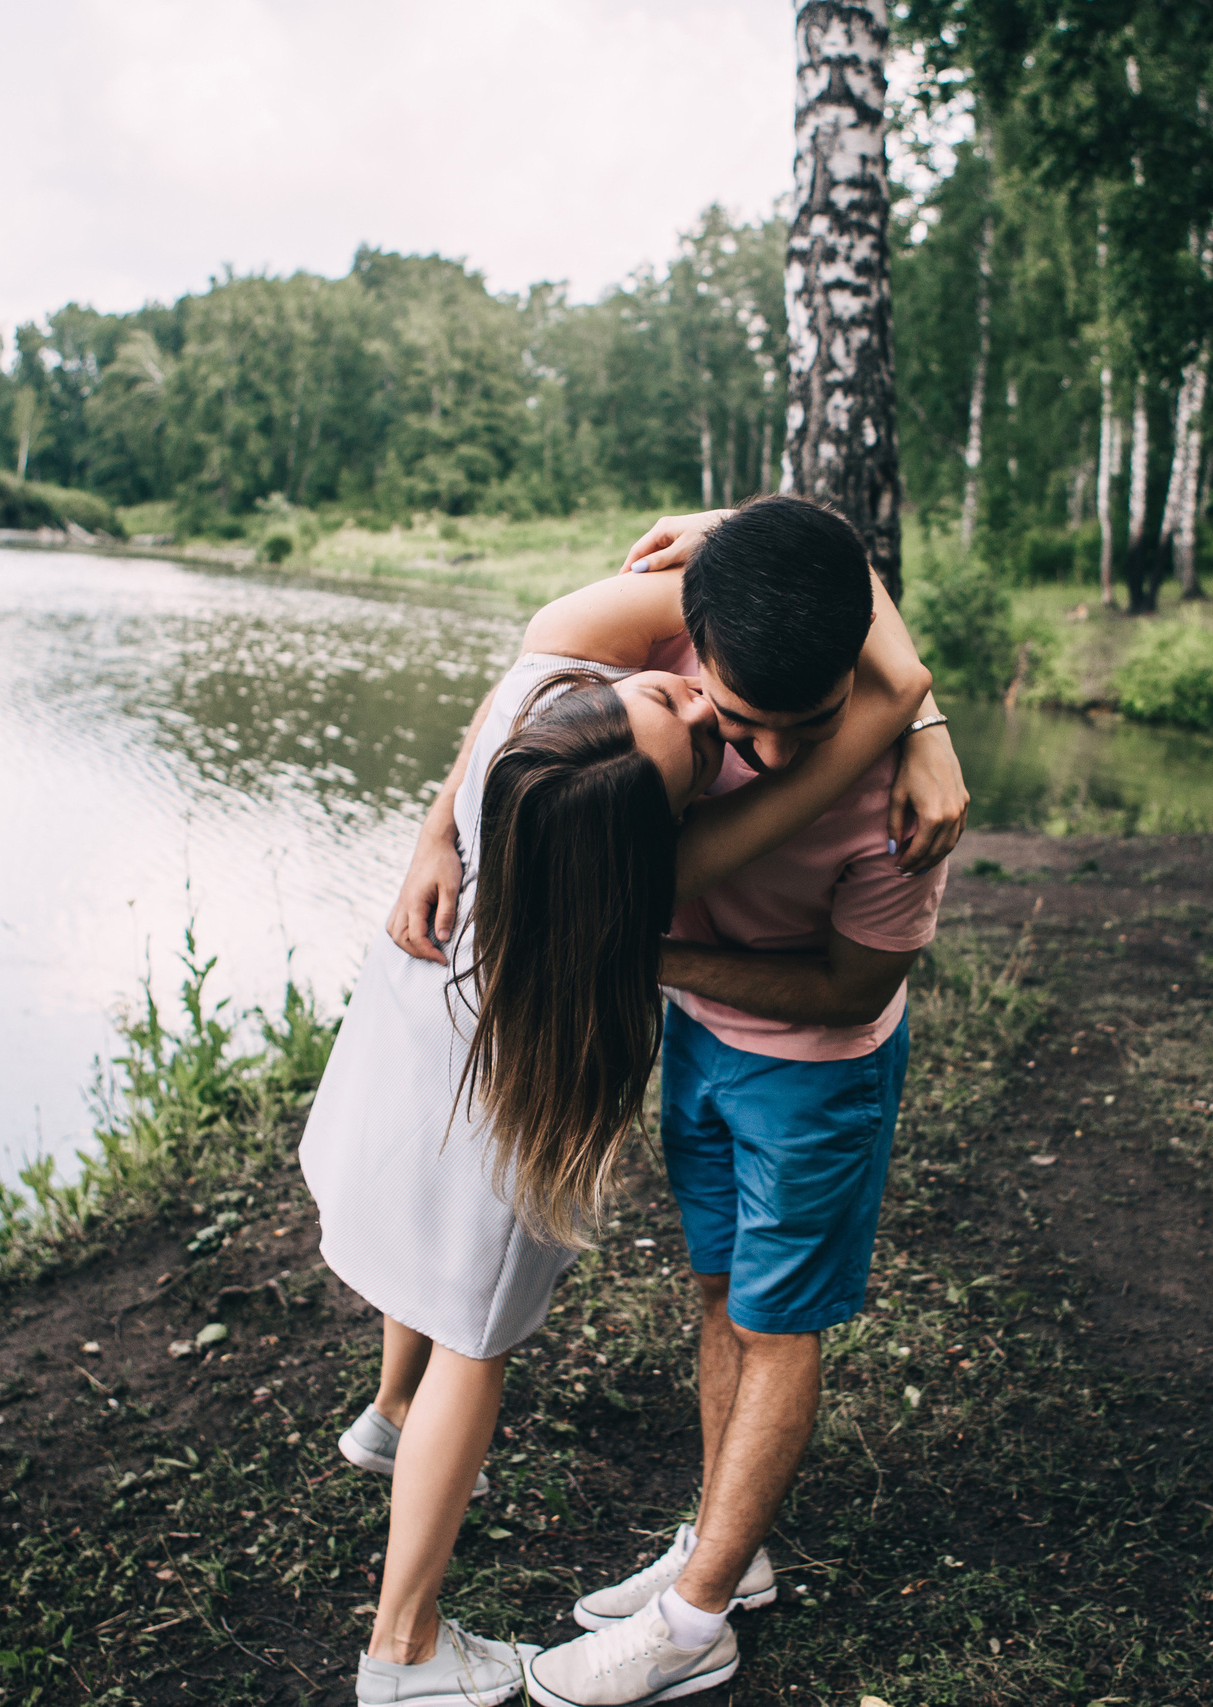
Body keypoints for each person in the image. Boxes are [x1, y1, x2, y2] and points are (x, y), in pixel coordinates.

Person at [299, 500, 965, 1707]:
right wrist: (913, 715)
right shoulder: (650, 835)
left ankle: (689, 1584)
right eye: (696, 721)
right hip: (609, 1047)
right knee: (573, 1311)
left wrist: (735, 544)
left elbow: (837, 646)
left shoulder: (572, 702)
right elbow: (888, 679)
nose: (708, 716)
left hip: (703, 1057)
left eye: (688, 703)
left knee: (746, 1315)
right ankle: (442, 1633)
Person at [521, 499, 957, 1707]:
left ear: (849, 686)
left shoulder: (896, 814)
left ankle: (694, 1620)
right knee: (719, 1291)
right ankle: (731, 1548)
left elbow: (846, 988)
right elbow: (804, 550)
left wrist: (914, 719)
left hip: (813, 1075)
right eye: (738, 716)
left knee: (778, 1323)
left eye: (803, 726)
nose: (758, 753)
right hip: (705, 1049)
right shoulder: (666, 683)